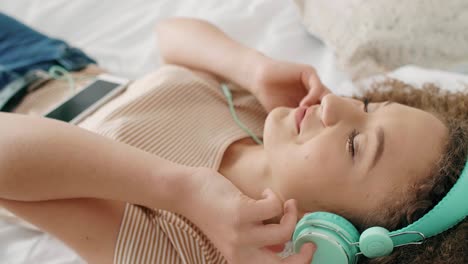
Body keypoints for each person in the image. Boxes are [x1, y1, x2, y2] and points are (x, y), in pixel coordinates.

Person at [0, 14, 467, 264]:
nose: (334, 106)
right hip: (56, 60)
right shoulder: (265, 121)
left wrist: (180, 188)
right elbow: (170, 34)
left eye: (355, 145)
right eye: (365, 108)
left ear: (332, 238)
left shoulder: (185, 247)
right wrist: (252, 68)